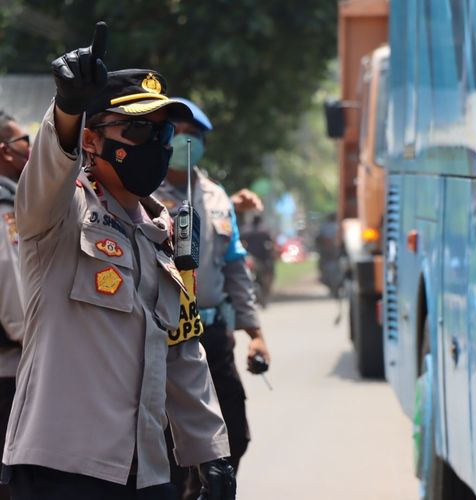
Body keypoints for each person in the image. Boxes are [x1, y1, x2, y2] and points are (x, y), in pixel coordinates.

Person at [0, 23, 235, 499]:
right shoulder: (59, 216)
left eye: (163, 131)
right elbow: (49, 167)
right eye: (137, 129)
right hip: (61, 470)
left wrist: (211, 453)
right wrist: (67, 109)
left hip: (145, 470)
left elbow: (182, 350)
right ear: (90, 140)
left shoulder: (163, 232)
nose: (157, 143)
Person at [153, 98, 271, 497]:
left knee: (234, 434)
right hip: (167, 333)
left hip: (214, 333)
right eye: (178, 133)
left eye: (195, 136)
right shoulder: (142, 193)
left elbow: (235, 267)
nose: (187, 142)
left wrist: (254, 332)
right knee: (171, 445)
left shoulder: (218, 197)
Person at [0, 110, 30, 500]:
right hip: (9, 367)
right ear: (5, 151)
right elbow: (9, 274)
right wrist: (31, 339)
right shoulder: (5, 202)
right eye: (25, 143)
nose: (30, 151)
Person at [241, 214, 276, 307]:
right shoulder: (264, 230)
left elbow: (241, 242)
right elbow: (271, 243)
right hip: (262, 260)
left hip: (252, 258)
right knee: (268, 276)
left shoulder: (246, 230)